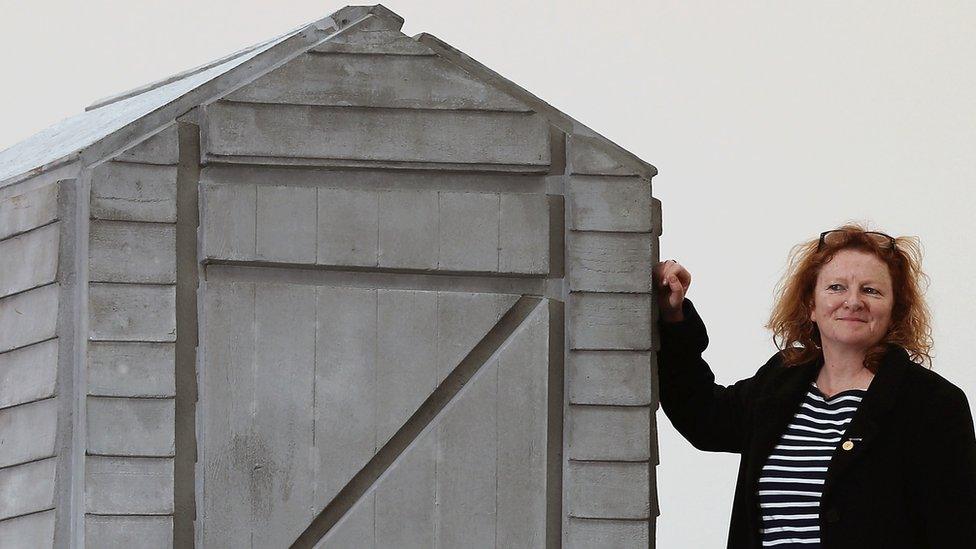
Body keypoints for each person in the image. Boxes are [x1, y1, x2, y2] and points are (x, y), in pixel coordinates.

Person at [653, 224, 976, 548]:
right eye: (836, 287)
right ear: (811, 305)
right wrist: (674, 317)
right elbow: (701, 415)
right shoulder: (779, 381)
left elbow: (956, 531)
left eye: (871, 290)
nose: (853, 301)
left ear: (894, 311)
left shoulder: (933, 404)